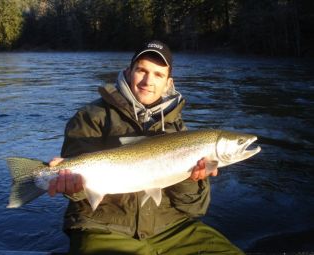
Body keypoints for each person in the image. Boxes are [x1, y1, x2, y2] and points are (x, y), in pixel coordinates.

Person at [48, 40, 244, 255]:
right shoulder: (91, 116)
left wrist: (192, 180)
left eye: (158, 74)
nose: (148, 81)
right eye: (142, 70)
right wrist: (71, 185)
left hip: (172, 228)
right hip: (103, 228)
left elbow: (195, 207)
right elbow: (75, 186)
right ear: (128, 71)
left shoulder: (178, 128)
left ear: (168, 83)